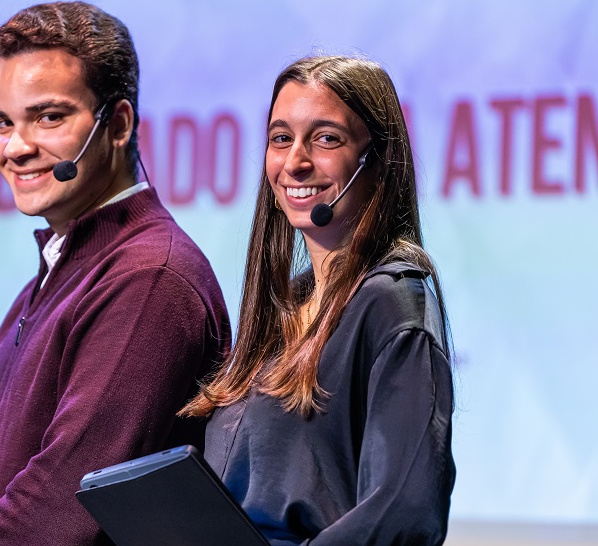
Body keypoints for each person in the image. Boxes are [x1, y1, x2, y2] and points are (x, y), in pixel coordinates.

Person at [0, 1, 231, 546]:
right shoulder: (48, 282)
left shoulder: (150, 278)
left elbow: (66, 494)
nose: (16, 148)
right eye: (3, 123)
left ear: (118, 124)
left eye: (48, 117)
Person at [181, 55, 455, 545]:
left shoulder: (392, 302)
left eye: (326, 138)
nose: (295, 162)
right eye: (281, 138)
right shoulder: (283, 310)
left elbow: (402, 512)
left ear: (378, 161)